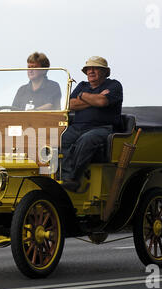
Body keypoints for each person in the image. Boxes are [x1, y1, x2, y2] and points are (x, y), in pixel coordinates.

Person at [61, 56, 123, 192]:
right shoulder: (82, 85)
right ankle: (60, 177)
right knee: (59, 138)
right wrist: (94, 98)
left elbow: (102, 102)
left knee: (87, 140)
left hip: (103, 128)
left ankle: (73, 179)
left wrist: (82, 96)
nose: (91, 71)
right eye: (88, 69)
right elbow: (70, 104)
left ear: (105, 72)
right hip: (77, 126)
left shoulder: (114, 85)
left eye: (95, 68)